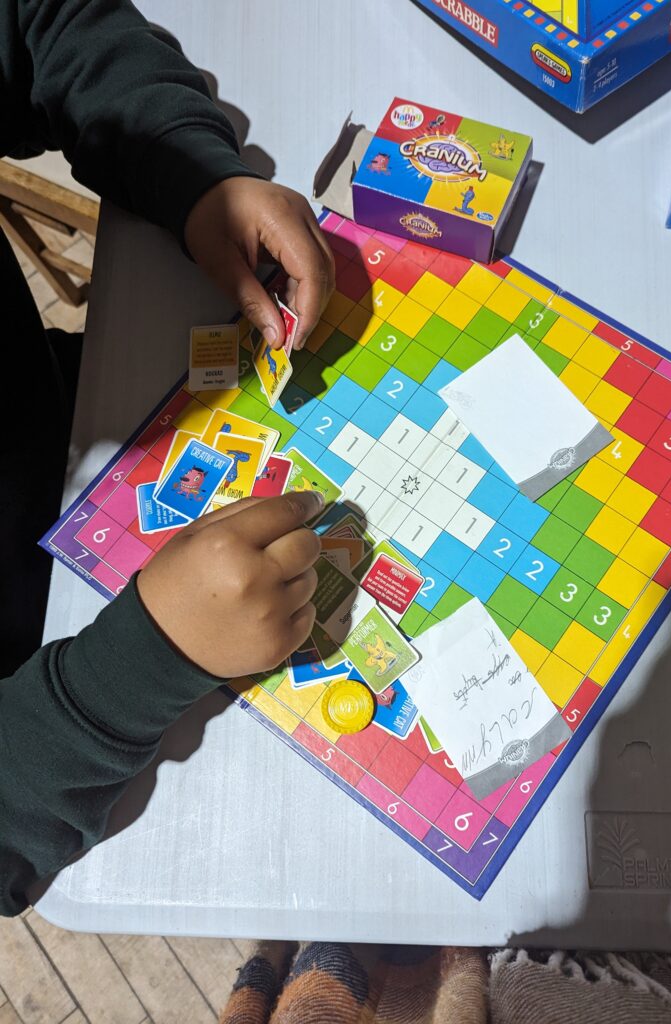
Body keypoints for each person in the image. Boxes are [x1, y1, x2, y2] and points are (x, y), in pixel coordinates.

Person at [0, 0, 334, 916]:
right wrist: (127, 680)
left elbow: (41, 22)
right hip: (70, 710)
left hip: (70, 425)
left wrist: (194, 175)